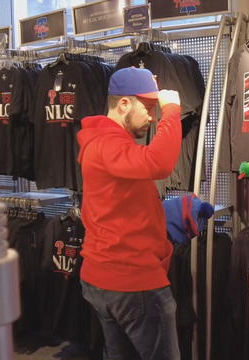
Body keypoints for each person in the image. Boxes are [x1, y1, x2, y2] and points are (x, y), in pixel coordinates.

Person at [77, 67, 182, 360]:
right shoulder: (106, 143)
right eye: (148, 108)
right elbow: (159, 163)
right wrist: (171, 111)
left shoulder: (105, 142)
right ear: (124, 104)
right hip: (131, 282)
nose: (153, 116)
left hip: (108, 278)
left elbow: (122, 202)